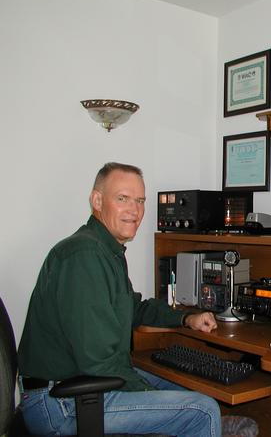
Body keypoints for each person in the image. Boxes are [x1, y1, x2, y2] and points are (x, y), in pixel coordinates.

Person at [17, 162, 229, 436]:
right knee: (202, 410)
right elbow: (98, 360)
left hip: (77, 386)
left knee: (190, 392)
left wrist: (187, 318)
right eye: (123, 199)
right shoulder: (84, 255)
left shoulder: (105, 250)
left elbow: (134, 308)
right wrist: (148, 395)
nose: (135, 210)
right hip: (61, 403)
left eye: (140, 201)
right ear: (97, 201)